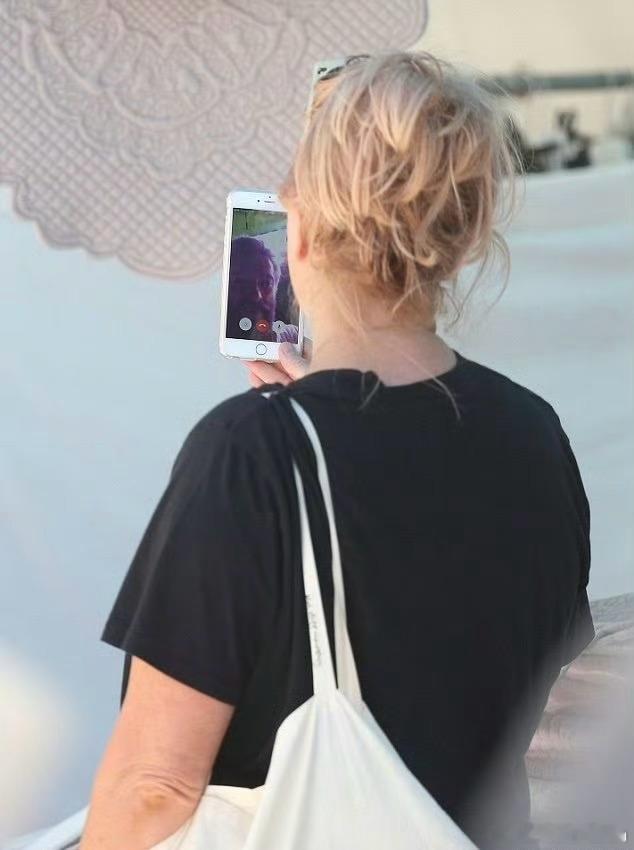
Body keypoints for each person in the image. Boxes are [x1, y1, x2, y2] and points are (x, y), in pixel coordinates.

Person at [80, 51, 595, 850]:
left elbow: (154, 788)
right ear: (463, 239)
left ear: (300, 231)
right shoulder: (536, 436)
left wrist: (300, 429)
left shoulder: (250, 456)